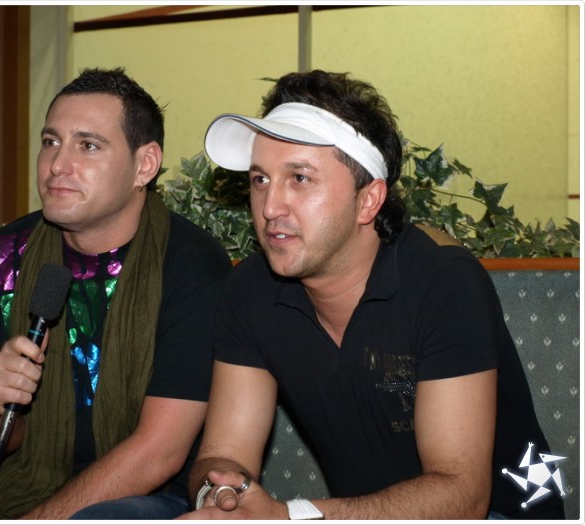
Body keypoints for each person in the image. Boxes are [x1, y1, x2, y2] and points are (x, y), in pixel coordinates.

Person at [178, 70, 565, 520]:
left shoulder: (442, 280)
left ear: (368, 200)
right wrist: (221, 496)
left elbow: (462, 496)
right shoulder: (250, 291)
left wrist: (290, 516)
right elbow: (225, 452)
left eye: (299, 178)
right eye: (260, 179)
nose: (270, 207)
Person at [0, 67, 231, 520]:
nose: (57, 165)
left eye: (87, 146)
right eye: (51, 142)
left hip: (150, 496)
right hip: (24, 482)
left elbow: (159, 453)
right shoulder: (3, 257)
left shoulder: (190, 264)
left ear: (144, 165)